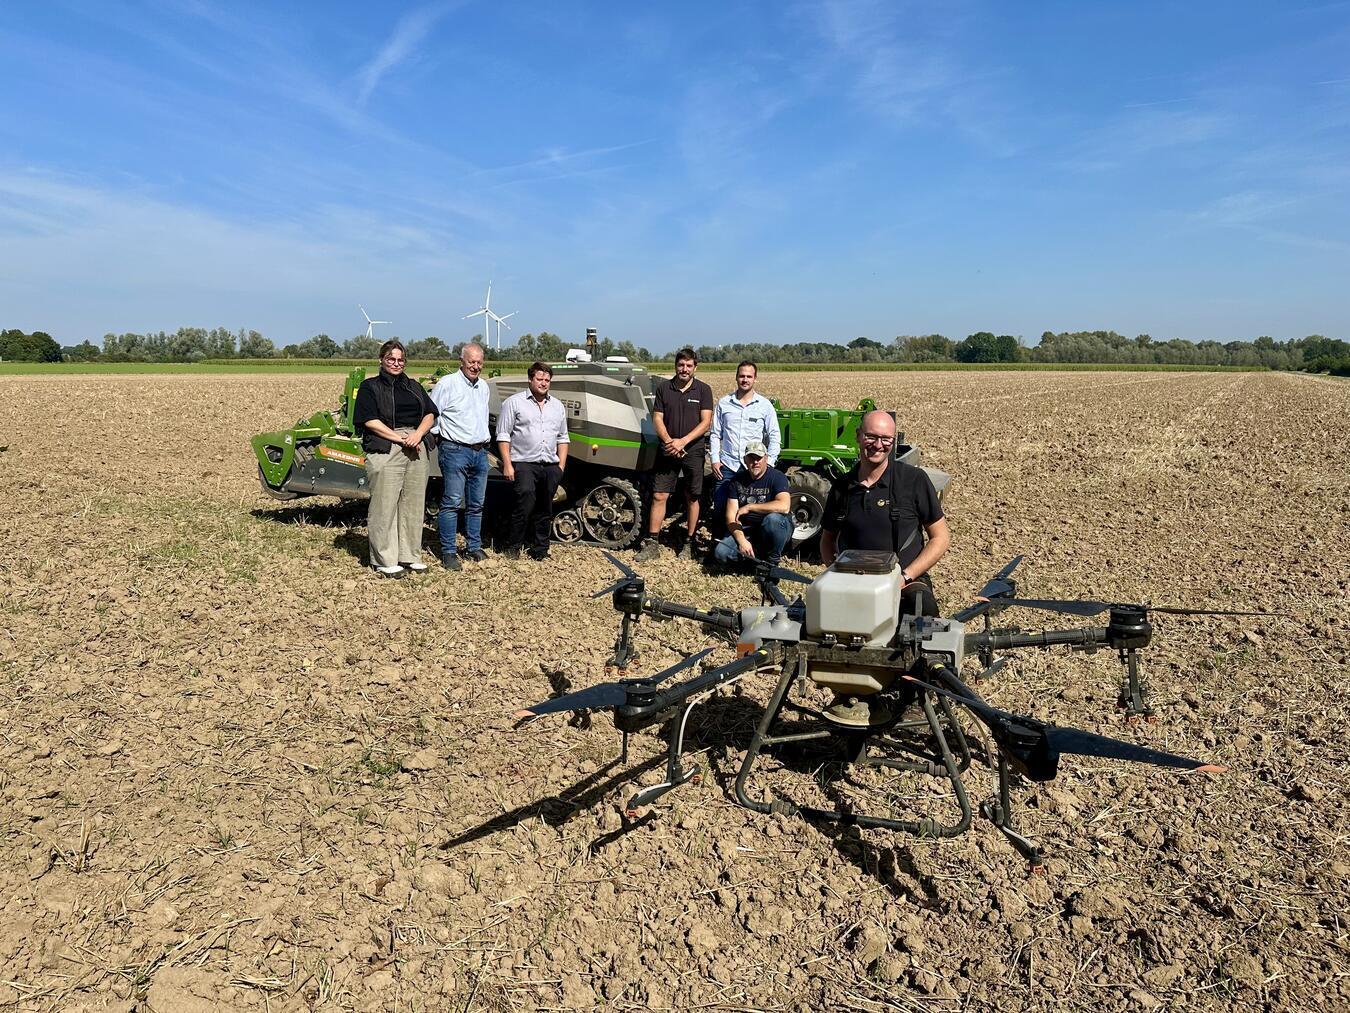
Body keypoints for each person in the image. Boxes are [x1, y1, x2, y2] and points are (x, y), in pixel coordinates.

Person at [819, 410, 950, 617]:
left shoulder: (913, 480)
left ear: (893, 441)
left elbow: (941, 538)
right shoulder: (842, 487)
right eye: (871, 436)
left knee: (924, 619)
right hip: (855, 583)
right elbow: (827, 540)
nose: (878, 445)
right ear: (858, 435)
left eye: (885, 439)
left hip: (905, 583)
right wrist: (836, 574)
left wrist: (905, 577)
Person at [351, 339, 438, 578]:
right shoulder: (370, 387)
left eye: (400, 360)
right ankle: (384, 559)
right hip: (386, 445)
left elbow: (431, 413)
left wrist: (418, 434)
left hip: (417, 444)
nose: (396, 363)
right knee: (385, 503)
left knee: (413, 502)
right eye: (391, 359)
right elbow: (369, 420)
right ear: (381, 360)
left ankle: (410, 555)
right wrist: (400, 439)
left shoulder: (413, 386)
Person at [635, 347, 713, 561]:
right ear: (675, 366)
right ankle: (652, 543)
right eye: (681, 365)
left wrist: (683, 442)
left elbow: (706, 422)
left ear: (695, 367)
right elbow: (657, 418)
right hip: (668, 449)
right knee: (660, 495)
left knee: (692, 496)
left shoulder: (703, 390)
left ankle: (689, 543)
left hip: (693, 449)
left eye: (689, 365)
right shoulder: (664, 389)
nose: (684, 369)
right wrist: (670, 442)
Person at [496, 361, 570, 561]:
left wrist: (560, 467)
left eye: (547, 380)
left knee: (545, 508)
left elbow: (563, 438)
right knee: (524, 503)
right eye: (539, 379)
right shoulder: (514, 402)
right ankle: (514, 546)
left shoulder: (557, 406)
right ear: (530, 379)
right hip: (524, 463)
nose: (543, 383)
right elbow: (503, 435)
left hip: (550, 465)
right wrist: (508, 464)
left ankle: (540, 549)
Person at [430, 342, 491, 571]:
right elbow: (433, 414)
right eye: (471, 362)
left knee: (476, 504)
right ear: (461, 362)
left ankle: (473, 546)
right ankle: (448, 551)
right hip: (455, 450)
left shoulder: (483, 387)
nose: (475, 366)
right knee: (453, 502)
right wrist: (437, 438)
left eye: (479, 362)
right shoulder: (448, 384)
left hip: (479, 451)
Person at [709, 360, 780, 515]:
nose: (745, 380)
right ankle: (721, 538)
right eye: (742, 376)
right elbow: (715, 434)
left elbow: (774, 435)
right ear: (736, 377)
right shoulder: (724, 403)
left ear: (755, 379)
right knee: (721, 506)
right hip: (728, 466)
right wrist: (715, 459)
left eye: (749, 376)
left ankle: (747, 538)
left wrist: (770, 462)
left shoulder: (764, 405)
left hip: (753, 466)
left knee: (752, 507)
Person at [710, 440, 793, 569]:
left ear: (766, 458)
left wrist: (750, 507)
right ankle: (755, 560)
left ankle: (772, 562)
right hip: (747, 530)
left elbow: (784, 506)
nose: (755, 462)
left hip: (772, 528)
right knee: (721, 554)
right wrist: (742, 540)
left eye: (759, 458)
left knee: (773, 519)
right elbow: (731, 517)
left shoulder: (777, 477)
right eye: (751, 458)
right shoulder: (736, 481)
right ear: (745, 460)